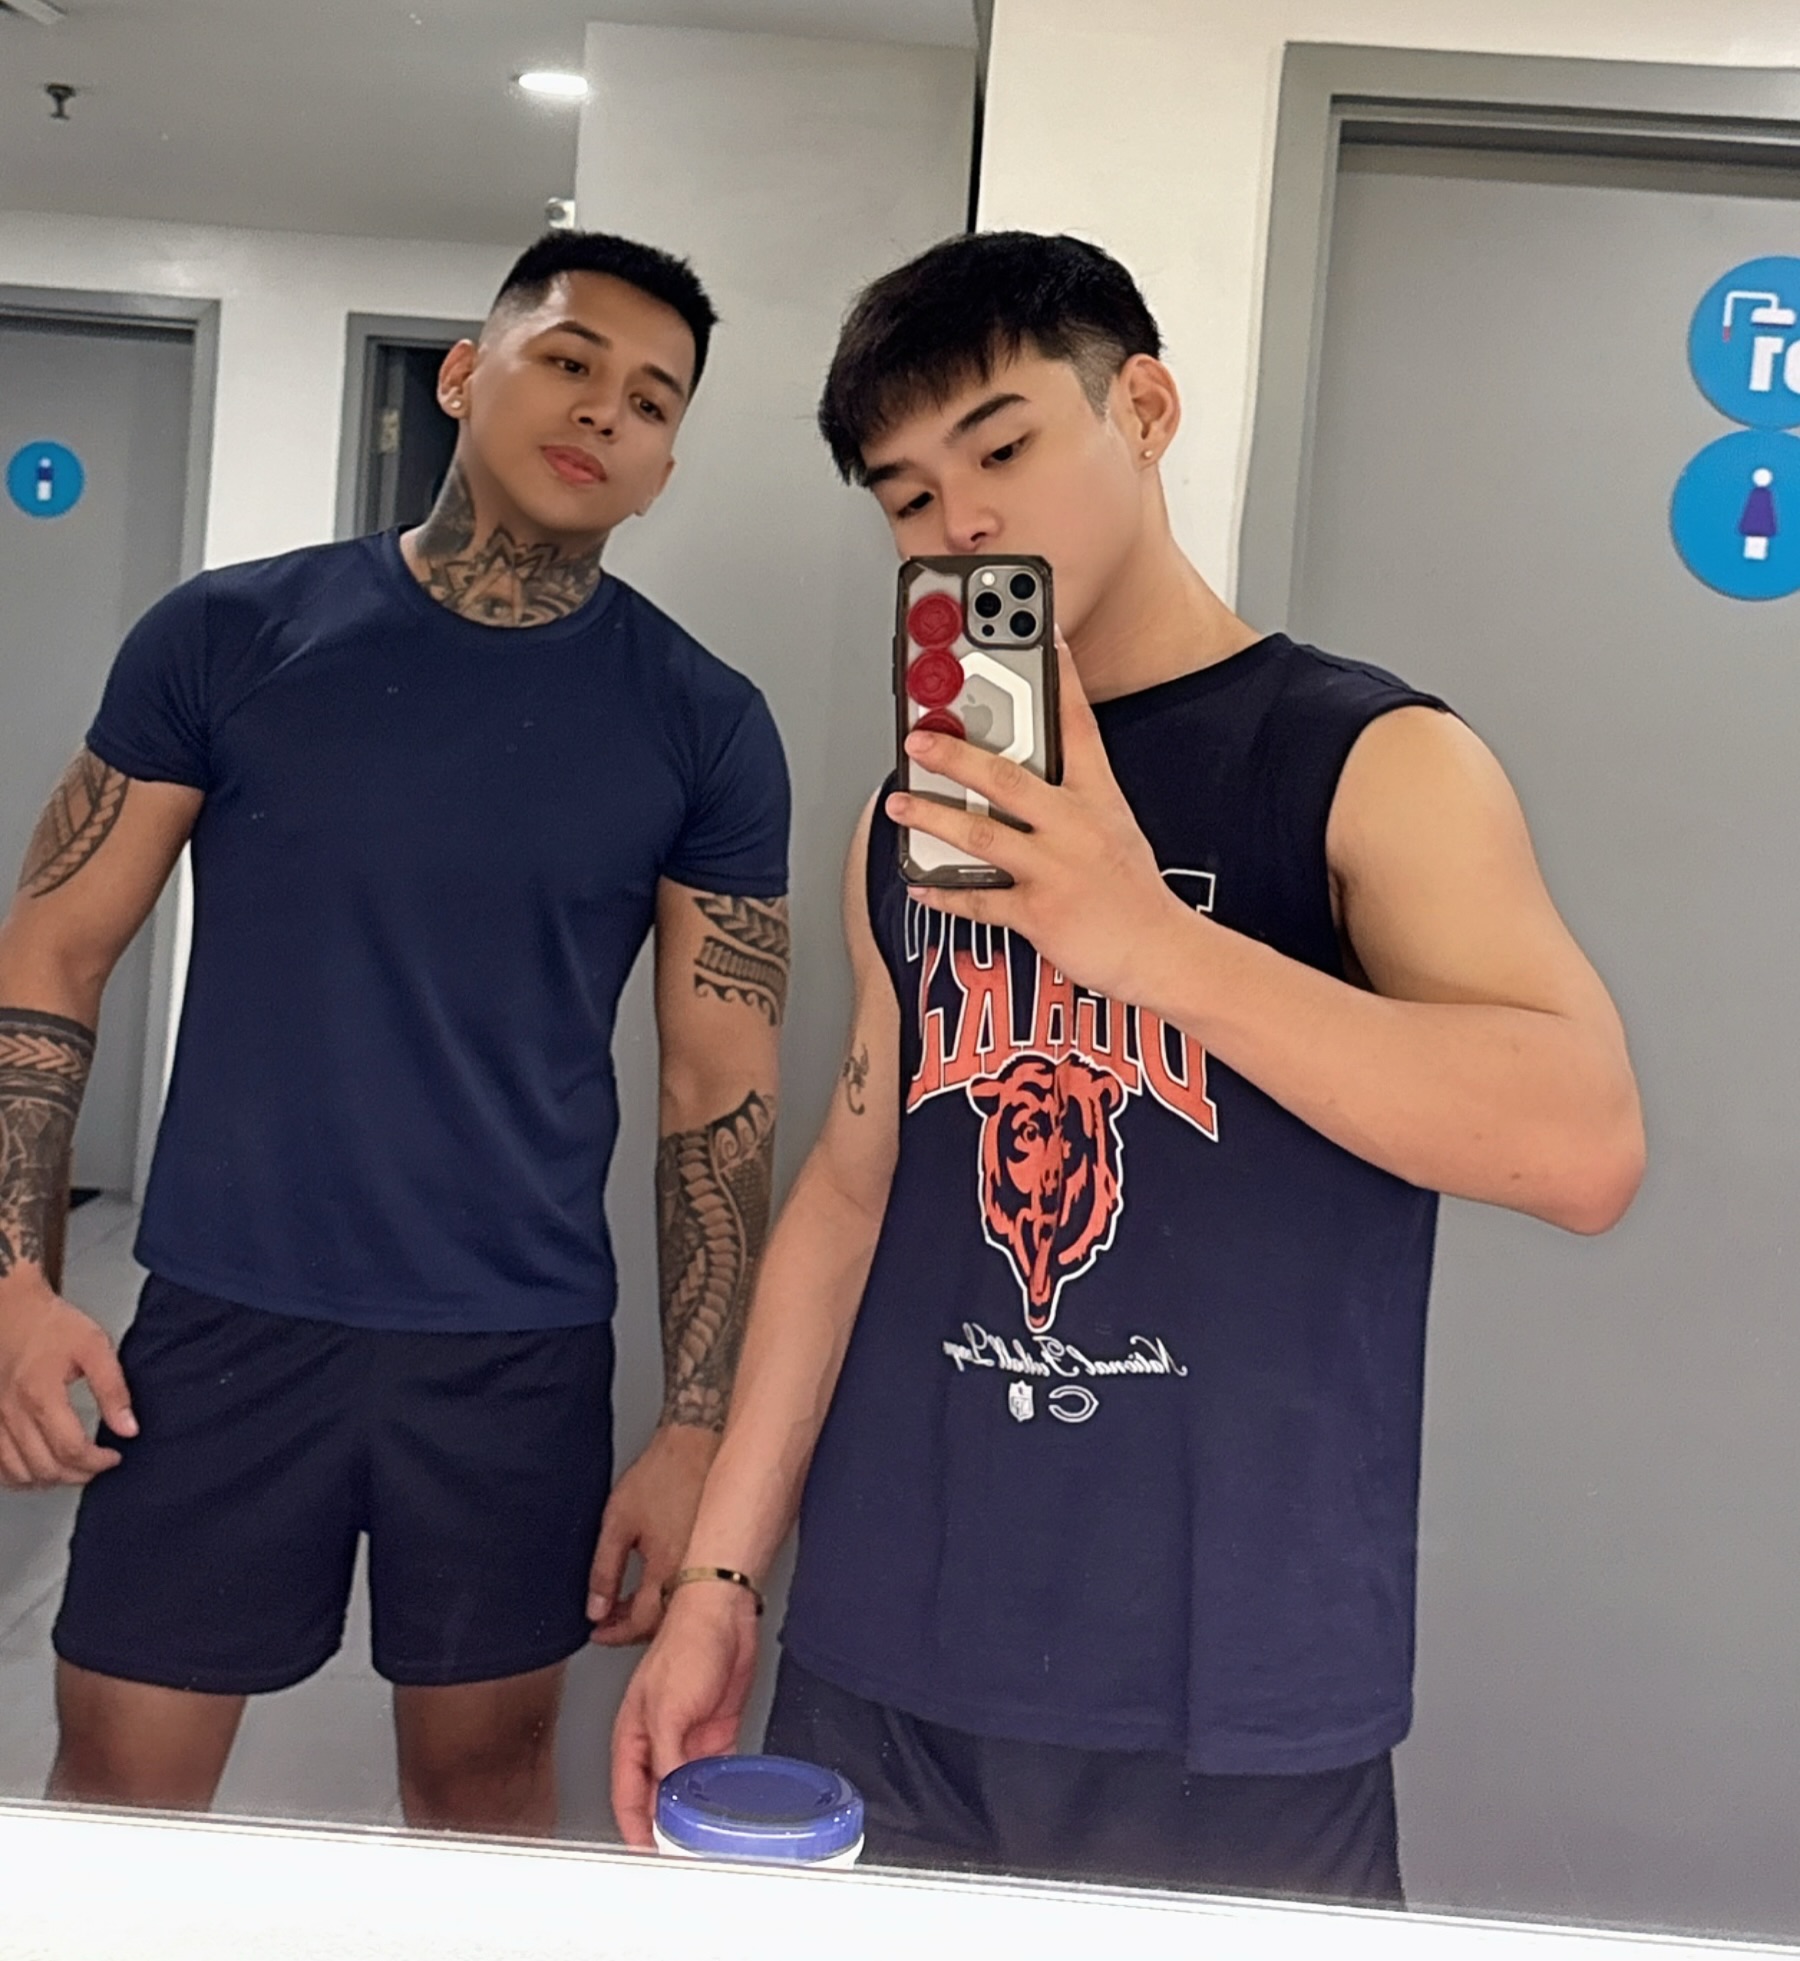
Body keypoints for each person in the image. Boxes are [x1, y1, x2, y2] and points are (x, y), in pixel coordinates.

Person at [611, 231, 1645, 1901]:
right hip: (885, 1659)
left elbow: (1584, 1142)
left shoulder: (1371, 758)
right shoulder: (920, 811)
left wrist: (1148, 940)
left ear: (1144, 409)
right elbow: (853, 1192)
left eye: (1003, 448)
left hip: (1234, 1690)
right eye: (908, 495)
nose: (961, 523)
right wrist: (722, 1577)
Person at [0, 228, 791, 1836]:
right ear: (464, 374)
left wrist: (697, 1427)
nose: (605, 410)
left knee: (486, 1804)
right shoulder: (228, 636)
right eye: (568, 359)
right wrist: (14, 1277)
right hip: (223, 1319)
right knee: (119, 1802)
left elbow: (718, 1093)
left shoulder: (703, 721)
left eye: (652, 401)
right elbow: (54, 951)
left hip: (513, 1349)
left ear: (662, 470)